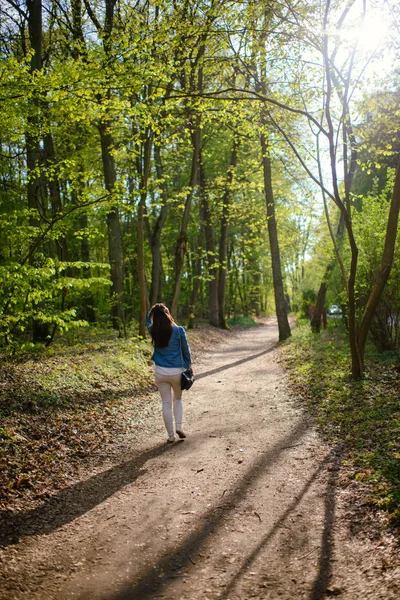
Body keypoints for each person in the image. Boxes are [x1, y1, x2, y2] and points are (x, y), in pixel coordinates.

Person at [146, 303, 193, 444]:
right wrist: (189, 365)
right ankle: (179, 427)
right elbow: (186, 350)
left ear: (155, 316)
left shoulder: (153, 330)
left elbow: (147, 320)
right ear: (167, 314)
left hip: (160, 372)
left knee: (166, 404)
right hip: (177, 372)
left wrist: (153, 311)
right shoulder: (179, 330)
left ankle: (171, 435)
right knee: (177, 399)